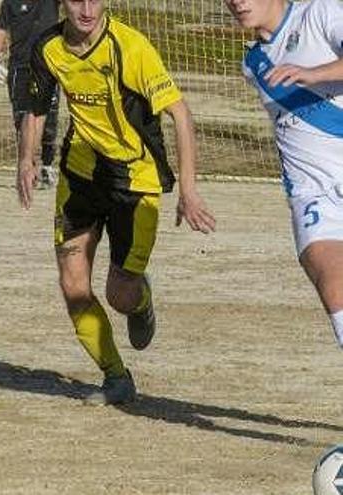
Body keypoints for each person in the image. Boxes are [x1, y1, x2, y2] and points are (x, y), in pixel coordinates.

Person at [17, 0, 215, 404]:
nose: (87, 9)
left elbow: (180, 114)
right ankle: (115, 376)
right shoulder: (48, 47)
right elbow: (36, 110)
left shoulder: (131, 47)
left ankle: (140, 301)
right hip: (80, 177)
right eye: (76, 0)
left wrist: (189, 191)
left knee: (119, 294)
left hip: (134, 180)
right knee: (73, 286)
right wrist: (27, 158)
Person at [225, 0, 343, 347]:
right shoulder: (253, 63)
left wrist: (314, 73)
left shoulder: (320, 13)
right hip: (313, 195)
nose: (237, 2)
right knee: (334, 289)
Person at [0, 0, 61, 187]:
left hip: (48, 66)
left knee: (49, 119)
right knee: (23, 119)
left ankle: (46, 165)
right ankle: (29, 167)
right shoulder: (11, 2)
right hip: (20, 67)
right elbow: (1, 29)